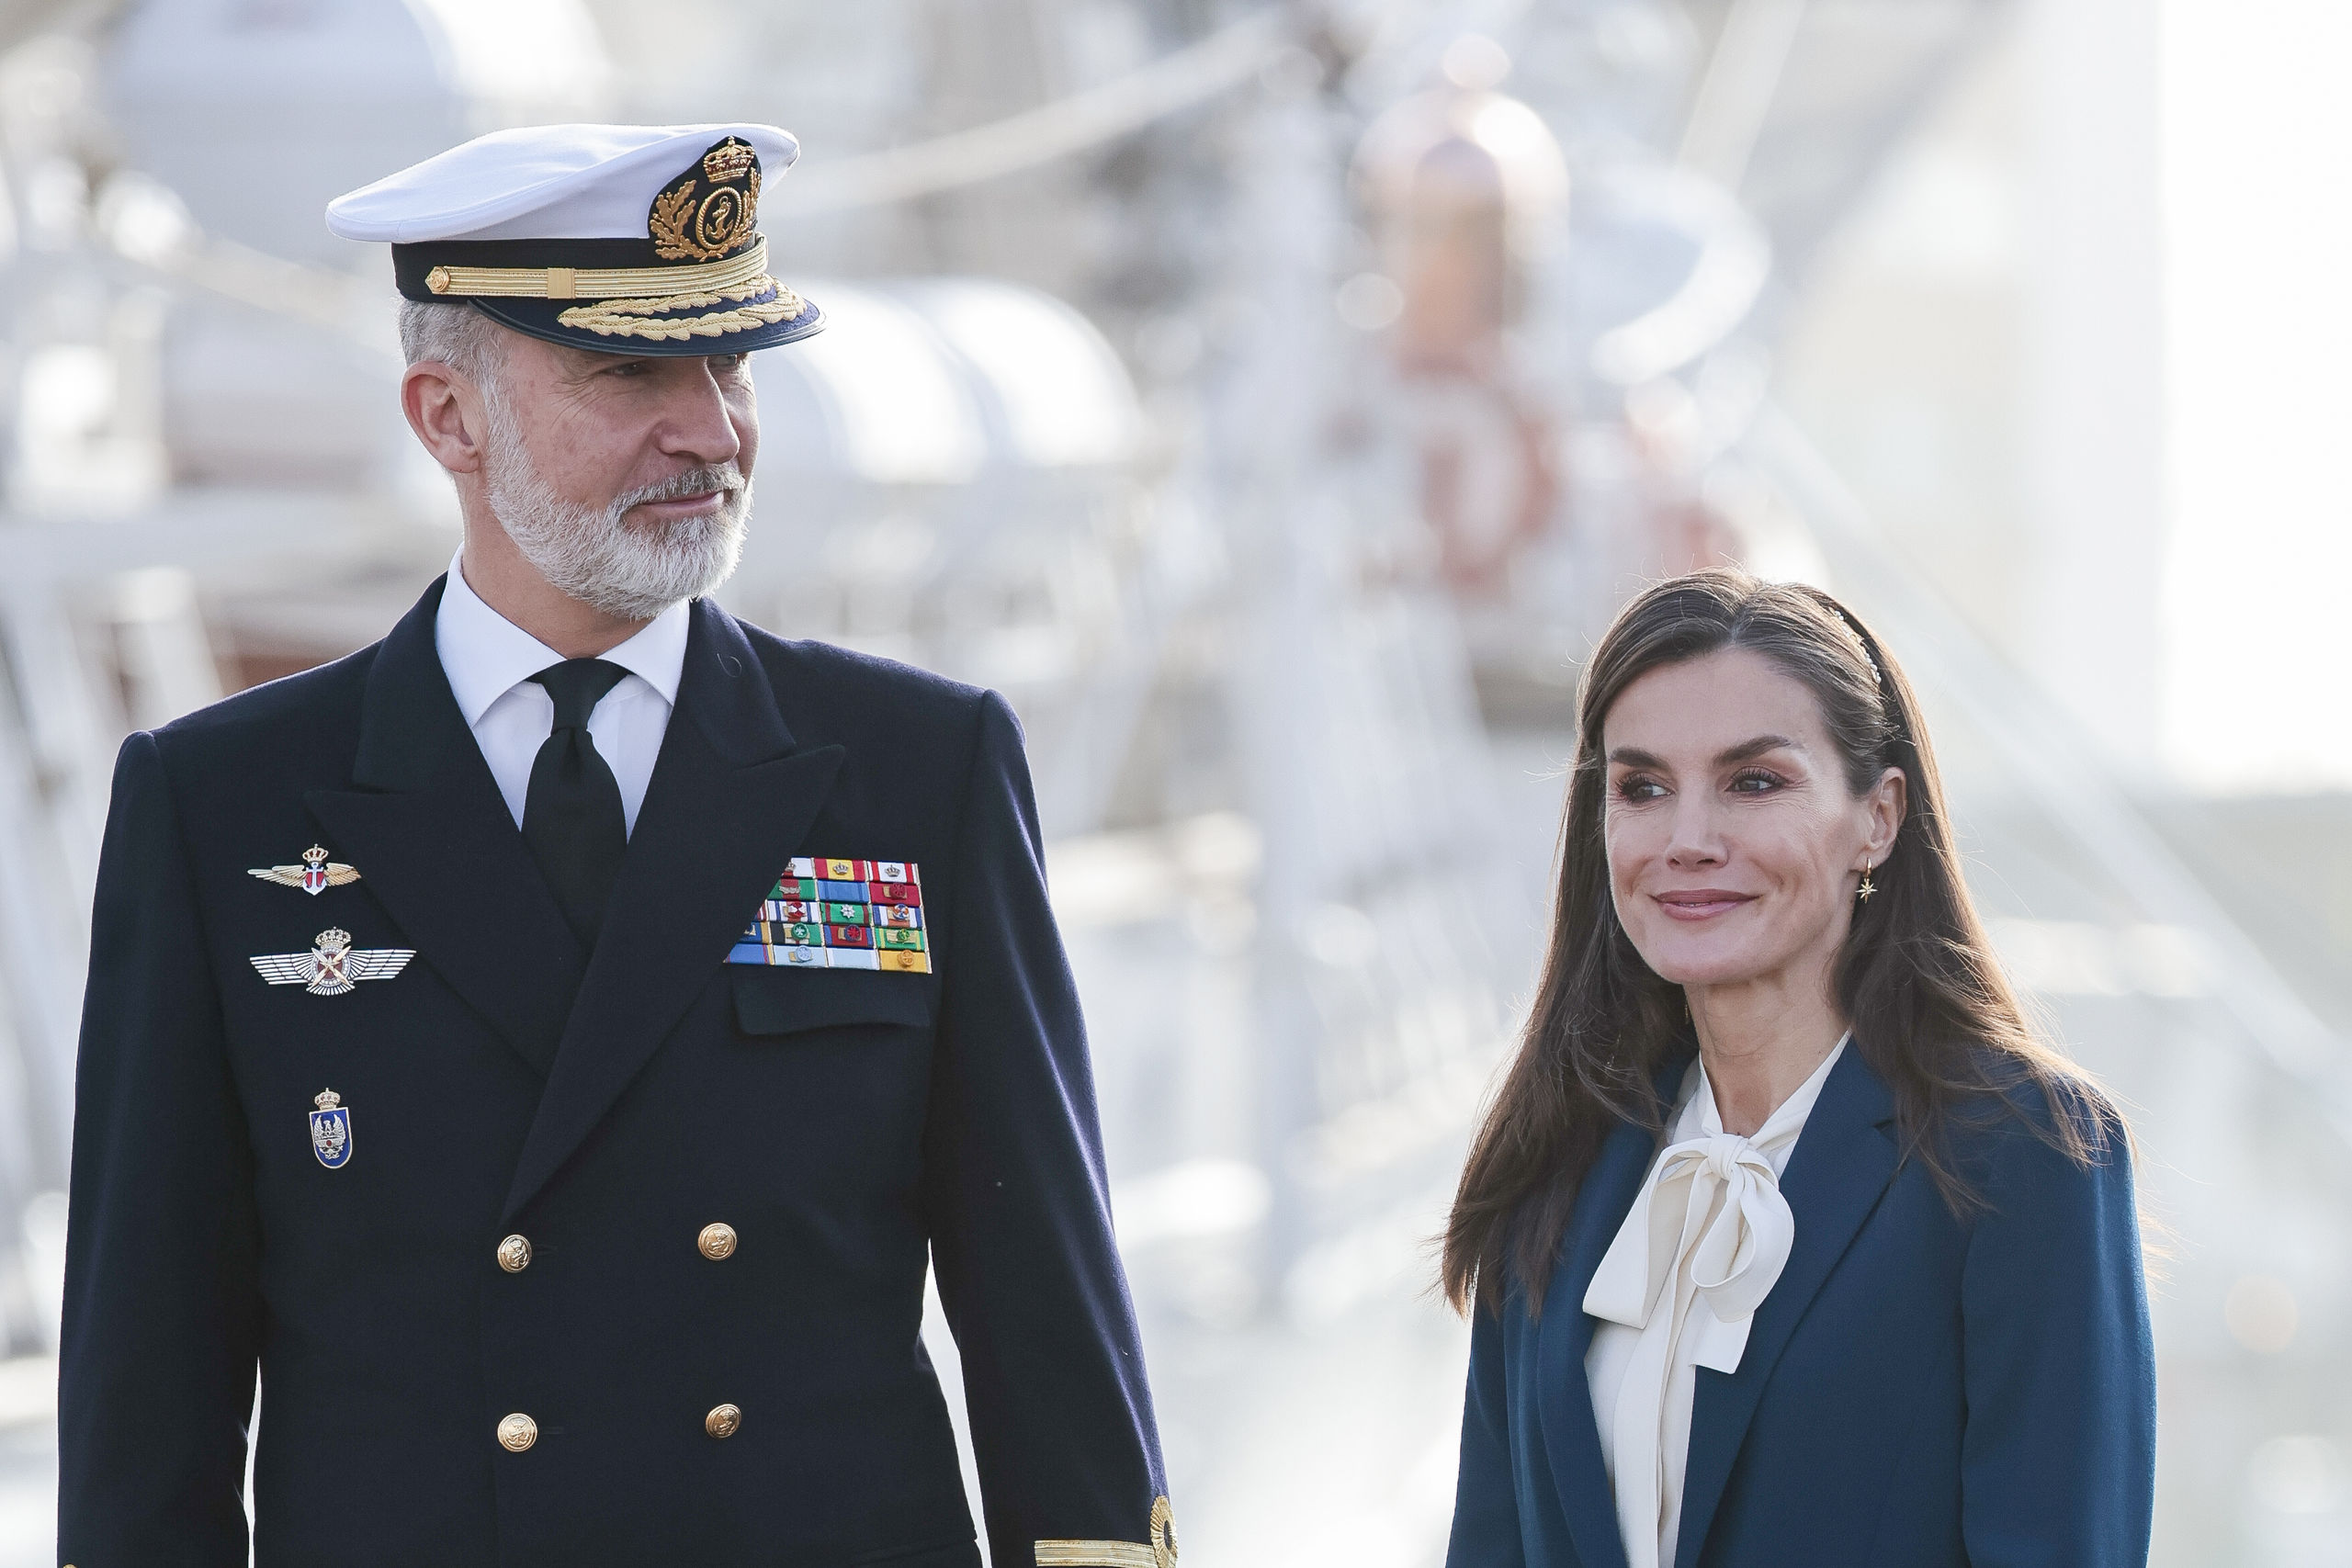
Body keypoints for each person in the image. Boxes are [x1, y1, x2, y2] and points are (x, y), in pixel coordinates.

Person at [58, 123, 1176, 1568]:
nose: (712, 431)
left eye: (733, 367)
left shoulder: (919, 769)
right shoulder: (225, 802)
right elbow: (149, 1386)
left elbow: (1046, 1305)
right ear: (447, 416)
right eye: (632, 373)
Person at [1439, 570, 2154, 1568]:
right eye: (1642, 788)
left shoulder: (2023, 1148)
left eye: (1753, 782)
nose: (1688, 840)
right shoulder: (1554, 1160)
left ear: (1878, 816)